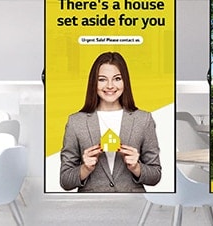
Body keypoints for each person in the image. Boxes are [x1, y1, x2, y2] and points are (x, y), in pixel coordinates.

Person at [60, 52, 161, 192]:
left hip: (133, 203)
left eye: (117, 78)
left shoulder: (143, 119)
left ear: (125, 81)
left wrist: (136, 167)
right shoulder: (76, 122)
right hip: (92, 204)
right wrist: (85, 168)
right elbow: (65, 181)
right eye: (102, 79)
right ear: (93, 82)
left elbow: (155, 176)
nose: (110, 86)